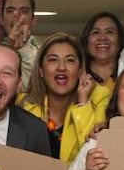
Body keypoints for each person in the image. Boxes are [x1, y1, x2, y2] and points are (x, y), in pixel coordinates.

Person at [18, 33, 111, 161]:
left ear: (79, 71)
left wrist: (83, 103)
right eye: (53, 60)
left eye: (70, 60)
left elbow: (94, 156)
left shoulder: (99, 99)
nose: (61, 67)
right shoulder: (22, 104)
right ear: (41, 70)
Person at [1, 0, 39, 89]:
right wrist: (8, 44)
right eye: (10, 11)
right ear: (1, 20)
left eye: (24, 11)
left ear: (33, 20)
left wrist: (23, 49)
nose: (16, 15)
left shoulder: (44, 56)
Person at [81, 12, 124, 90]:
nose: (102, 38)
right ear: (87, 40)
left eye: (109, 32)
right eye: (95, 32)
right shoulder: (76, 78)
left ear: (120, 39)